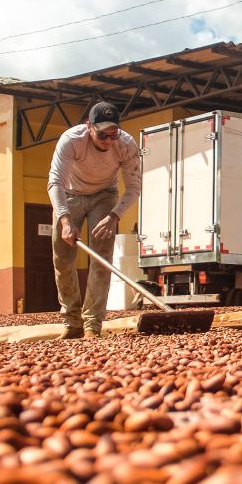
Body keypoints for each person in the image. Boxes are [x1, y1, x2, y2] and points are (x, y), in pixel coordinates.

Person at [47, 101, 141, 338]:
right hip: (69, 195)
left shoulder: (126, 144)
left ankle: (92, 324)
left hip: (105, 196)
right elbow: (55, 182)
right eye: (102, 135)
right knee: (63, 258)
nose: (108, 141)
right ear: (89, 126)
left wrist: (114, 216)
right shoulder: (71, 140)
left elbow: (133, 187)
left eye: (113, 134)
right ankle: (71, 322)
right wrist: (65, 221)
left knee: (101, 258)